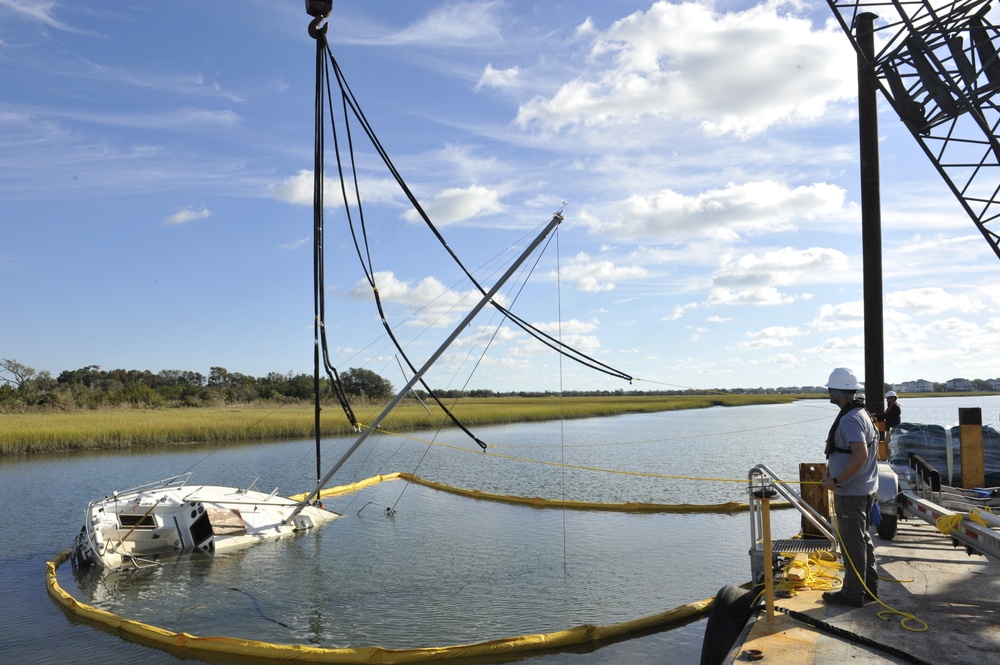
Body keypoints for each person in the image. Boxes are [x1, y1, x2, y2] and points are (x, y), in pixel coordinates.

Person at [821, 367, 880, 607]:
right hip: (864, 489)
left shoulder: (850, 419)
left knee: (852, 543)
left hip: (852, 492)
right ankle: (869, 589)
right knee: (862, 540)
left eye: (830, 390)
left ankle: (853, 594)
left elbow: (860, 455)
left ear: (838, 392)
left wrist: (836, 481)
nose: (829, 394)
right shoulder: (860, 413)